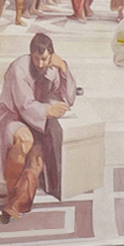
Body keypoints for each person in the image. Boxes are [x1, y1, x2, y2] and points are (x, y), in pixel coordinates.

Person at [18, 28, 77, 206]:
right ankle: (19, 202)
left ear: (51, 56)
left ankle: (51, 187)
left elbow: (68, 98)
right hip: (18, 116)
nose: (41, 64)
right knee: (33, 153)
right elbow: (23, 104)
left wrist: (64, 69)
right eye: (36, 58)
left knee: (49, 144)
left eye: (45, 59)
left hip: (40, 119)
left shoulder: (53, 68)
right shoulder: (19, 69)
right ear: (31, 55)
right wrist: (47, 111)